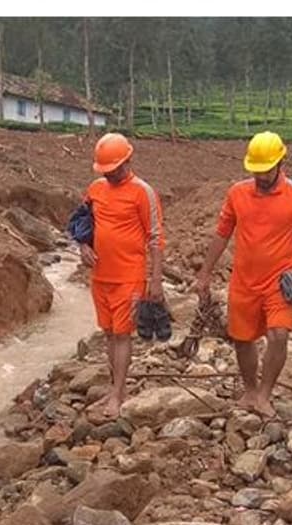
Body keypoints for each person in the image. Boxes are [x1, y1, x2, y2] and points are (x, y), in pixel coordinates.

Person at [195, 131, 292, 417]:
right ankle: (250, 390)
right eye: (256, 171)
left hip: (279, 283)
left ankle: (265, 395)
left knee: (278, 335)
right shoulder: (237, 193)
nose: (261, 176)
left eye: (266, 170)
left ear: (281, 162)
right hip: (243, 281)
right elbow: (222, 234)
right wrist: (204, 273)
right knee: (243, 340)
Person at [81, 132, 167, 417]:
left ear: (127, 161)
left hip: (129, 277)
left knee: (122, 335)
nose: (109, 175)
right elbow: (82, 223)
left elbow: (155, 237)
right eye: (105, 171)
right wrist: (83, 246)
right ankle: (114, 386)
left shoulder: (143, 192)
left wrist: (155, 280)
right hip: (100, 276)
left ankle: (117, 394)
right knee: (108, 333)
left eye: (113, 169)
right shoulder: (95, 189)